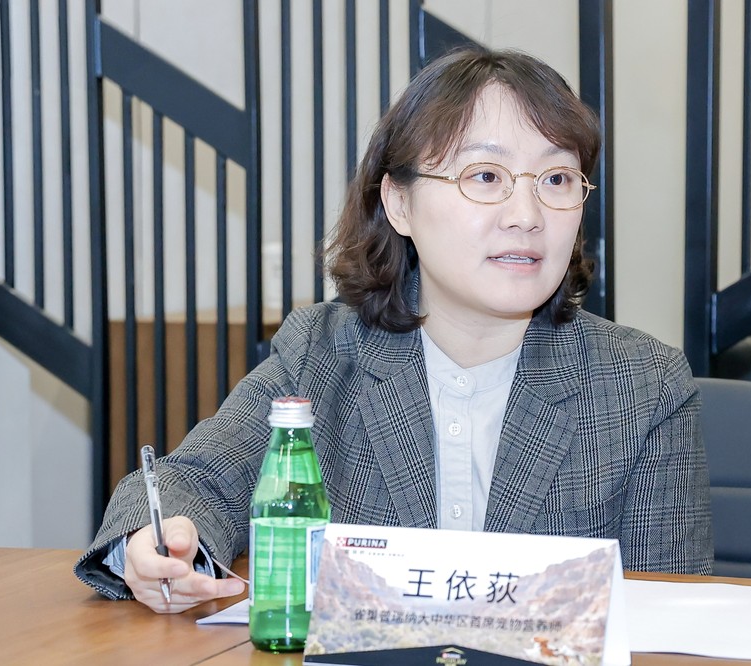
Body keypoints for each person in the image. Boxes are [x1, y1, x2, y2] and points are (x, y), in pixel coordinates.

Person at [75, 46, 713, 613]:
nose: (527, 214)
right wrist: (159, 540)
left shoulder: (641, 383)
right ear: (399, 203)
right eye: (485, 177)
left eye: (557, 179)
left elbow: (672, 611)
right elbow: (196, 480)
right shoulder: (322, 354)